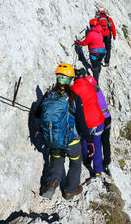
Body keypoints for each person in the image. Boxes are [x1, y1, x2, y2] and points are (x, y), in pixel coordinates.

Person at [36, 63, 95, 200]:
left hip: (54, 139)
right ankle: (70, 190)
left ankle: (51, 185)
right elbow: (81, 122)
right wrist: (89, 141)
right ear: (70, 80)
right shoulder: (74, 98)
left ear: (57, 78)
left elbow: (38, 115)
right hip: (71, 141)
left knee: (57, 160)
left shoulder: (48, 95)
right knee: (75, 163)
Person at [72, 68, 105, 177]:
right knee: (97, 144)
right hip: (98, 120)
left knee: (86, 141)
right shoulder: (91, 86)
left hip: (86, 123)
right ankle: (98, 171)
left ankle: (87, 160)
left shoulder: (73, 89)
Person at [85, 75, 111, 176]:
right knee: (105, 141)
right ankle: (106, 163)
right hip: (107, 117)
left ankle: (92, 160)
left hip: (101, 119)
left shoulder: (92, 93)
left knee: (97, 141)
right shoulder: (98, 90)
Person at [77, 18, 105, 84]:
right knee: (98, 63)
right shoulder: (100, 32)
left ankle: (96, 83)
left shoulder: (91, 34)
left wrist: (79, 43)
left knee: (94, 68)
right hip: (102, 52)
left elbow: (85, 43)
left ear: (91, 25)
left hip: (94, 53)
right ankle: (98, 72)